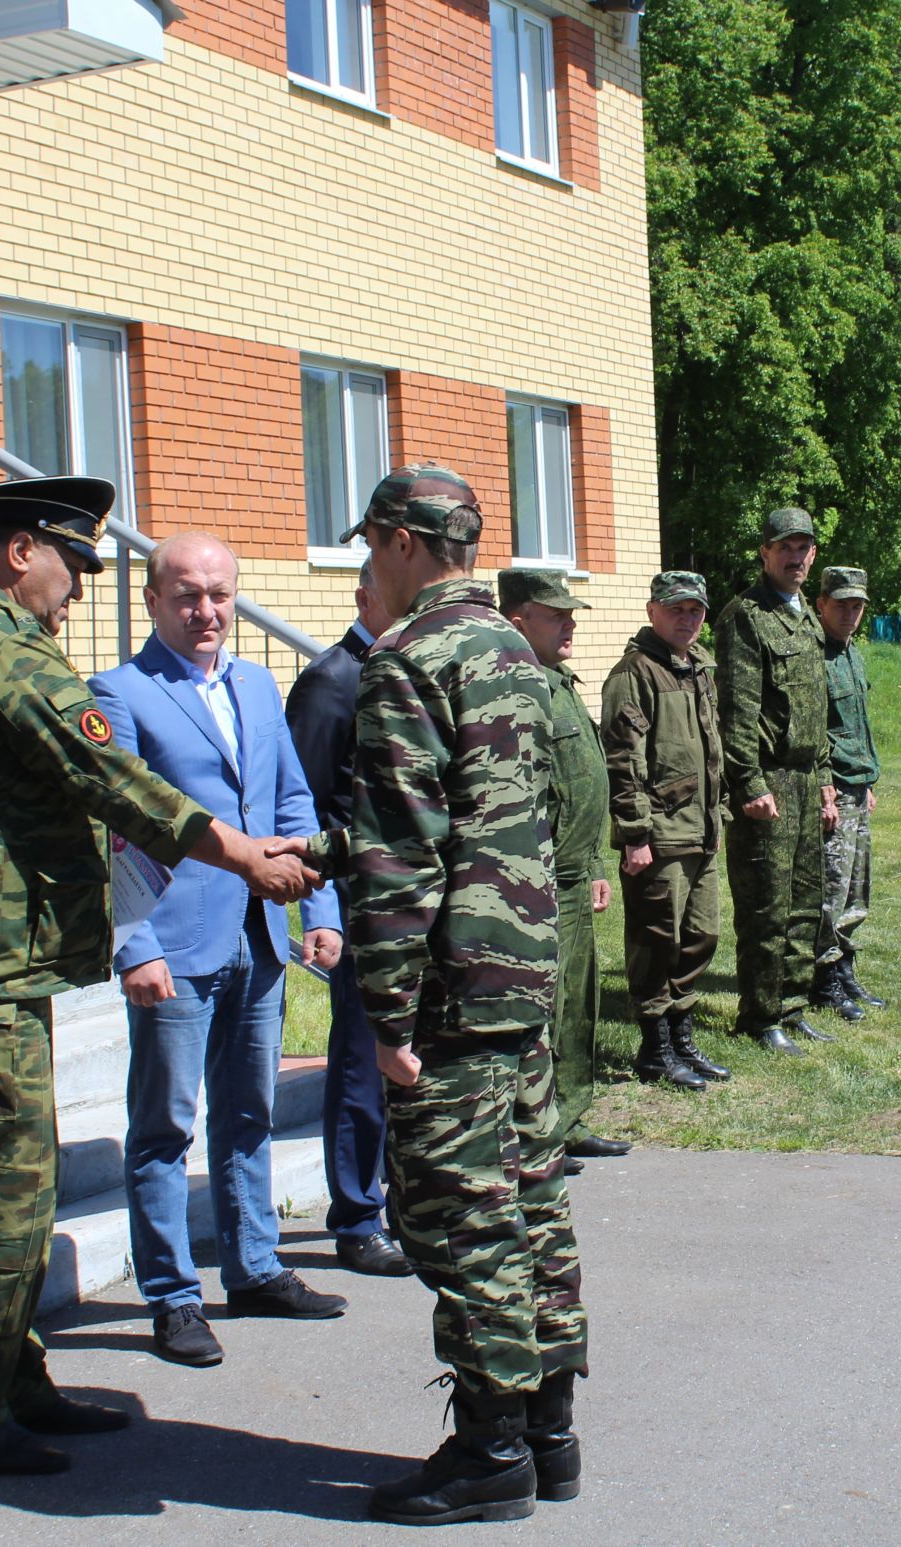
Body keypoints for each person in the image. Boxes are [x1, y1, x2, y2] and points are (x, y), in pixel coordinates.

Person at [0, 475, 317, 1476]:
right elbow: (105, 770)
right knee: (6, 1186)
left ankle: (10, 1381)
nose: (77, 591)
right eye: (73, 565)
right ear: (20, 548)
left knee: (14, 1181)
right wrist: (239, 852)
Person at [342, 466, 586, 1525]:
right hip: (526, 967)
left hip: (451, 987)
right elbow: (518, 813)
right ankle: (549, 1429)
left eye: (369, 545)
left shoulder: (408, 663)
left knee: (463, 1215)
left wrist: (389, 1016)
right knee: (532, 1194)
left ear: (402, 542)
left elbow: (404, 853)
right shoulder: (517, 657)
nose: (366, 566)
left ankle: (490, 1451)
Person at [90, 533, 349, 1370]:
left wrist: (320, 900)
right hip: (175, 940)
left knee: (250, 1112)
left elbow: (292, 798)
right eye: (187, 596)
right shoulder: (120, 693)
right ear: (154, 600)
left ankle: (257, 1267)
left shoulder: (256, 683)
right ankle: (172, 1296)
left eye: (220, 595)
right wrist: (135, 943)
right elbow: (120, 826)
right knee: (165, 1124)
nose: (207, 611)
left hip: (261, 935)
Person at [284, 559, 416, 1277]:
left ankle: (404, 1203)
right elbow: (302, 805)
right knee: (365, 1062)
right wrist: (320, 908)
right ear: (366, 594)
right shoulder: (332, 681)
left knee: (406, 1059)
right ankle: (357, 1216)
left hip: (413, 903)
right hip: (362, 907)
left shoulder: (401, 671)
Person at [497, 568, 627, 1172]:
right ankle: (536, 1134)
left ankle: (569, 1117)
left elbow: (582, 785)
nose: (571, 624)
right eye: (559, 615)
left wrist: (596, 860)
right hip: (542, 879)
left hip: (576, 872)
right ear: (520, 620)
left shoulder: (562, 682)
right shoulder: (521, 690)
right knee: (544, 1010)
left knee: (578, 1003)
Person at [600, 571, 730, 1089]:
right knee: (658, 940)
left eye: (695, 610)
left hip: (702, 828)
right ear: (653, 609)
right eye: (677, 608)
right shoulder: (635, 673)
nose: (688, 618)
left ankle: (682, 1036)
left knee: (702, 934)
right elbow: (622, 760)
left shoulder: (699, 667)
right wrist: (634, 834)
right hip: (659, 834)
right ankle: (655, 1048)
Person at [715, 507, 838, 1054]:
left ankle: (793, 1003)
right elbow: (736, 713)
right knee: (768, 902)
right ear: (765, 552)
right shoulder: (746, 616)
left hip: (807, 779)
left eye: (804, 548)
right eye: (785, 547)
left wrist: (827, 778)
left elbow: (817, 708)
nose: (796, 557)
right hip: (769, 782)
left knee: (806, 898)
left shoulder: (808, 616)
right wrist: (748, 784)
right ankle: (761, 1017)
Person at [815, 565, 885, 1014]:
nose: (850, 613)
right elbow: (813, 730)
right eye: (842, 604)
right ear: (822, 604)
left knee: (857, 891)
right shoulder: (813, 657)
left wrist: (870, 780)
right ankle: (823, 981)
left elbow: (858, 725)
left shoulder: (852, 654)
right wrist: (825, 787)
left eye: (857, 606)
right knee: (831, 892)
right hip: (835, 791)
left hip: (857, 787)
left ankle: (844, 971)